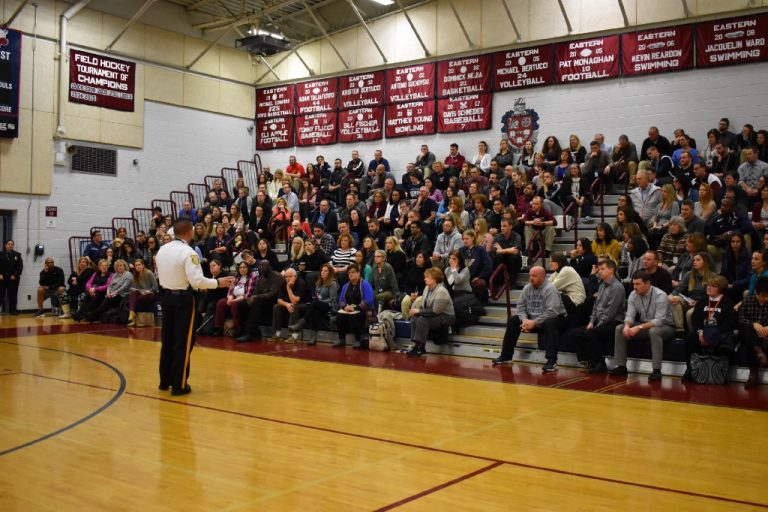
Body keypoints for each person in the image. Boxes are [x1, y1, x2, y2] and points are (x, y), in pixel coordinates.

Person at [155, 218, 234, 396]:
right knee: (182, 342)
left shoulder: (162, 250)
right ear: (190, 232)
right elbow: (197, 281)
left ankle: (164, 381)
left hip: (166, 298)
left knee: (168, 340)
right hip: (183, 300)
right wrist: (218, 282)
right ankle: (179, 385)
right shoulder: (188, 252)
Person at [492, 266, 566, 371]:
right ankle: (506, 356)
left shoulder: (550, 289)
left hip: (555, 319)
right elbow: (521, 307)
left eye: (534, 276)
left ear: (542, 277)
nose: (531, 278)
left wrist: (534, 323)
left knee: (551, 323)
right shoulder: (527, 288)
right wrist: (525, 320)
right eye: (530, 275)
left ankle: (552, 362)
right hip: (533, 319)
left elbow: (552, 312)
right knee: (513, 320)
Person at [609, 271, 676, 382]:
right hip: (645, 324)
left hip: (666, 326)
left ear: (648, 283)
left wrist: (638, 328)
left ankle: (656, 370)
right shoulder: (633, 294)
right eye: (634, 284)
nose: (635, 287)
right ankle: (621, 366)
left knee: (654, 331)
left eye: (638, 284)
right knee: (619, 328)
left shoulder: (660, 295)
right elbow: (630, 315)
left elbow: (659, 321)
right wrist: (627, 326)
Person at [682, 276, 736, 383]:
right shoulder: (702, 301)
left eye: (713, 286)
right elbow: (696, 319)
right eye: (708, 285)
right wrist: (700, 332)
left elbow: (729, 324)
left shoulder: (727, 302)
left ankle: (720, 372)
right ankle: (690, 369)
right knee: (689, 338)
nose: (709, 288)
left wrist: (711, 335)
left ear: (720, 289)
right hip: (702, 332)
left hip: (719, 332)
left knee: (725, 340)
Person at [406, 267, 456, 357]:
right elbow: (423, 306)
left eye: (427, 277)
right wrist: (416, 311)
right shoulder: (426, 288)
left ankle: (421, 347)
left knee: (422, 320)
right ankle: (416, 345)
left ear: (435, 279)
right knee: (414, 319)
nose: (424, 279)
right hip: (433, 314)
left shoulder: (441, 291)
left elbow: (436, 311)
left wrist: (419, 311)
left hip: (446, 316)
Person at [289, 263, 339, 344]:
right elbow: (316, 296)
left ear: (330, 273)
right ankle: (313, 337)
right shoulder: (319, 283)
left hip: (329, 306)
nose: (323, 272)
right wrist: (316, 301)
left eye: (325, 271)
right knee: (315, 311)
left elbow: (332, 300)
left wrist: (319, 301)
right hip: (318, 306)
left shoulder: (333, 283)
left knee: (315, 304)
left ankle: (301, 323)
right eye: (322, 270)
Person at [236, 260, 283, 343]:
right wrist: (250, 298)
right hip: (261, 300)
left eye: (263, 267)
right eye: (260, 267)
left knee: (257, 302)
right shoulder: (261, 278)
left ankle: (249, 333)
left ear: (269, 267)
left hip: (274, 301)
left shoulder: (277, 276)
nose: (261, 269)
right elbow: (255, 292)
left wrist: (256, 297)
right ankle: (248, 330)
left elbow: (272, 294)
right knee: (241, 304)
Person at [738, 275, 768, 388]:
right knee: (747, 328)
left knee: (749, 343)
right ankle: (759, 354)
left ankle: (753, 373)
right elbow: (741, 319)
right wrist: (754, 324)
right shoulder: (748, 301)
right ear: (756, 292)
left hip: (765, 335)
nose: (766, 299)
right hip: (751, 335)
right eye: (763, 296)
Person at [334, 263, 374, 348]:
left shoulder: (365, 284)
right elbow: (341, 300)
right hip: (349, 310)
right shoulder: (345, 286)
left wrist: (355, 307)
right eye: (349, 273)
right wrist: (345, 307)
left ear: (358, 273)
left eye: (353, 272)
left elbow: (369, 300)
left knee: (354, 317)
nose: (350, 274)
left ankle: (358, 339)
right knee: (339, 316)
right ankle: (341, 339)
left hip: (363, 310)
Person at [212, 261, 255, 337]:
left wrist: (234, 301)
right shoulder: (237, 278)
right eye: (240, 267)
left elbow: (248, 294)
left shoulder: (252, 277)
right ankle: (219, 327)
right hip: (234, 297)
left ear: (248, 268)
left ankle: (237, 328)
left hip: (245, 300)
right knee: (221, 302)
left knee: (235, 304)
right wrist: (229, 299)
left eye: (244, 267)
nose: (242, 269)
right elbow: (230, 290)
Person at [272, 268, 308, 339]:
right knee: (277, 307)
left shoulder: (301, 283)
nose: (287, 278)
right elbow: (279, 300)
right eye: (286, 276)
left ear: (295, 276)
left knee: (294, 306)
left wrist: (288, 288)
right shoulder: (283, 283)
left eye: (290, 276)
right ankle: (277, 332)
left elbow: (295, 301)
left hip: (304, 305)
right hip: (289, 304)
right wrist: (287, 304)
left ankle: (294, 335)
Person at [126, 259, 159, 326]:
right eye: (136, 265)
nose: (137, 266)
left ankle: (132, 315)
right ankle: (132, 314)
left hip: (150, 294)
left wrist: (148, 291)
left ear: (143, 265)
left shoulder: (149, 273)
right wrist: (134, 289)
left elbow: (155, 287)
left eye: (139, 265)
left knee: (132, 299)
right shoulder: (135, 275)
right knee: (133, 293)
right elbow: (134, 288)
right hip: (141, 294)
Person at [0, 239, 23, 315]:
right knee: (0, 294)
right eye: (9, 244)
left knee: (13, 294)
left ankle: (13, 310)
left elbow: (20, 267)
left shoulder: (17, 255)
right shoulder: (0, 254)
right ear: (5, 245)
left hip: (13, 279)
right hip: (2, 278)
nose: (10, 245)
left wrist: (15, 275)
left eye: (12, 244)